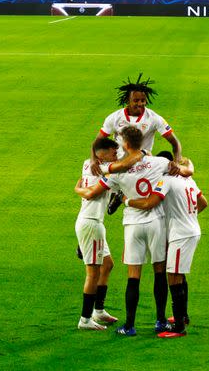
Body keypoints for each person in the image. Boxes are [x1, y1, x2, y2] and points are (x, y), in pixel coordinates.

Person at [77, 127, 191, 336]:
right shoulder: (160, 163)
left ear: (126, 144)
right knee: (159, 272)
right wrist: (184, 164)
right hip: (156, 222)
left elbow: (93, 192)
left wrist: (78, 188)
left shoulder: (115, 171)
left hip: (133, 225)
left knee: (134, 276)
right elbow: (186, 171)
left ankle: (129, 325)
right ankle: (160, 321)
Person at [124, 150, 208, 338]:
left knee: (174, 278)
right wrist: (189, 216)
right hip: (191, 230)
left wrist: (127, 200)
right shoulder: (189, 180)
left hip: (180, 233)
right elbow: (203, 202)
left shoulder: (166, 181)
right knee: (179, 274)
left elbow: (149, 203)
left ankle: (178, 327)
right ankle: (183, 316)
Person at [90, 73, 181, 176]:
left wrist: (177, 162)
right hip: (120, 166)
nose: (140, 104)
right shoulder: (114, 118)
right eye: (136, 100)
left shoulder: (154, 118)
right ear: (128, 100)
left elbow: (175, 142)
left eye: (143, 100)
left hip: (144, 167)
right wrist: (93, 160)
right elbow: (97, 141)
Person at [75, 139, 120, 330]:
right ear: (103, 153)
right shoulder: (106, 170)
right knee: (92, 273)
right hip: (91, 224)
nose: (116, 156)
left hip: (93, 222)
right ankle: (85, 319)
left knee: (107, 265)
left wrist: (77, 189)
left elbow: (80, 185)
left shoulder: (88, 163)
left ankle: (98, 311)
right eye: (113, 152)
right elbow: (92, 193)